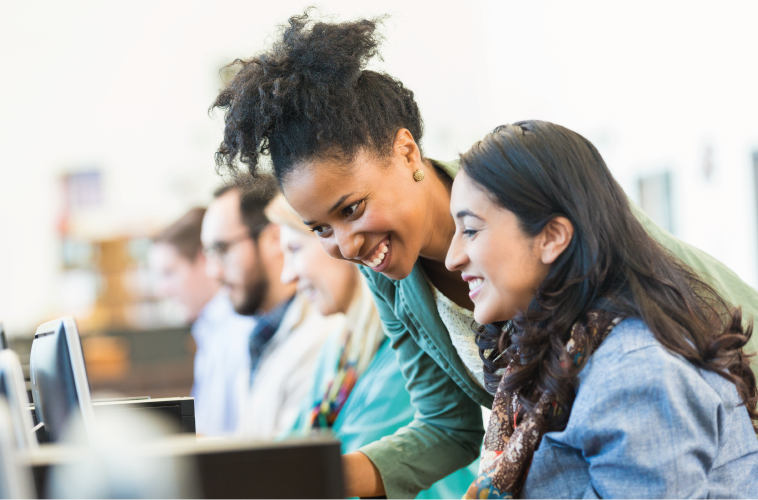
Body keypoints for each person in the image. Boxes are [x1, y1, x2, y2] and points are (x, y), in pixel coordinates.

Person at [210, 12, 758, 498]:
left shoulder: (540, 207)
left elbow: (663, 363)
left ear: (406, 152)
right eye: (319, 230)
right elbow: (451, 428)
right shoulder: (393, 276)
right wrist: (308, 477)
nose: (345, 247)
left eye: (351, 209)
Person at [448, 120, 758, 498]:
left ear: (552, 237)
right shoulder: (563, 351)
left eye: (470, 230)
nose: (452, 258)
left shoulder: (634, 373)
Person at [266, 194, 477, 499]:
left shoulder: (403, 354)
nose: (288, 274)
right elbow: (291, 451)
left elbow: (339, 482)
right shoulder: (338, 350)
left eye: (295, 249)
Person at [200, 175, 336, 439]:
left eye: (222, 249)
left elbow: (292, 459)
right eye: (208, 253)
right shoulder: (261, 333)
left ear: (273, 238)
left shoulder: (321, 334)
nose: (213, 271)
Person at [149, 208, 255, 436]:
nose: (161, 290)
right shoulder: (210, 331)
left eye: (169, 273)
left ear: (203, 260)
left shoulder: (238, 332)